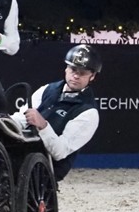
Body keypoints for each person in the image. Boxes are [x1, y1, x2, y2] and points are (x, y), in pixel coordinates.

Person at [10, 45, 101, 180]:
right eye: (73, 69)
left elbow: (60, 152)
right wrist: (6, 123)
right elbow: (21, 118)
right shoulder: (48, 89)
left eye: (82, 73)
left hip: (46, 168)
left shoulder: (88, 113)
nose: (75, 76)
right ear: (66, 69)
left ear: (92, 76)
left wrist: (43, 125)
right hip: (20, 151)